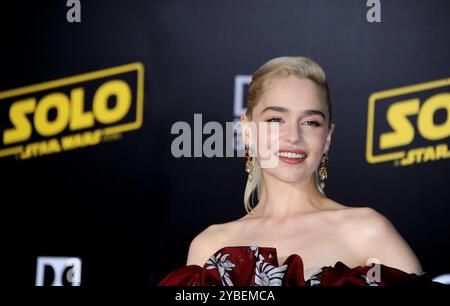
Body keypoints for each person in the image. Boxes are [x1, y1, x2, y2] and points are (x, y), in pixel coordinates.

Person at [158, 56, 441, 286]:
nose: (293, 136)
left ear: (327, 138)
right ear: (247, 130)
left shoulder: (366, 231)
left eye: (311, 122)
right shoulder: (210, 246)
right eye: (276, 119)